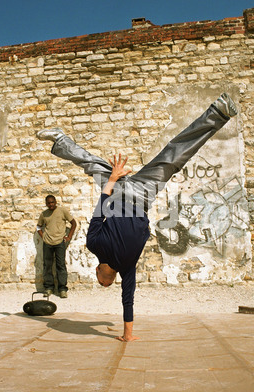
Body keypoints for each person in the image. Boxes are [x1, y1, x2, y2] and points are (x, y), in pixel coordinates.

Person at [37, 93, 238, 340]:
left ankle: (61, 139)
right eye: (105, 286)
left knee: (92, 165)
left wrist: (113, 179)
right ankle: (218, 113)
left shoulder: (94, 245)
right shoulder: (127, 269)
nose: (103, 284)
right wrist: (127, 335)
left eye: (100, 283)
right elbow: (128, 300)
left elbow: (100, 210)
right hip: (143, 196)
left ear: (99, 271)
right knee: (174, 156)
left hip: (118, 194)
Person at [37, 195, 77, 298]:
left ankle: (62, 289)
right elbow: (38, 227)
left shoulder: (62, 211)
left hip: (60, 243)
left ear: (55, 202)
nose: (51, 205)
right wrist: (43, 237)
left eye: (52, 202)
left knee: (61, 266)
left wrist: (69, 237)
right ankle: (49, 288)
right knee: (47, 266)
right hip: (47, 243)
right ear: (46, 204)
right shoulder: (43, 214)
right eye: (49, 203)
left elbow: (73, 223)